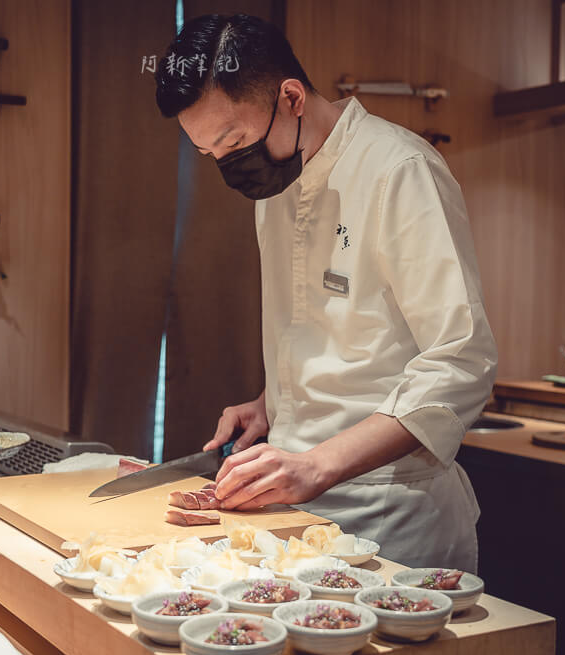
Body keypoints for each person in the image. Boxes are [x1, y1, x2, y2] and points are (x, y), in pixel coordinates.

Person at [154, 14, 497, 572]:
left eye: (234, 141)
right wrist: (273, 403)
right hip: (291, 509)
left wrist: (318, 464)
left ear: (290, 97)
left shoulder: (400, 169)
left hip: (392, 509)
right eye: (209, 152)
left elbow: (461, 362)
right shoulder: (279, 182)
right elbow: (333, 332)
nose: (227, 164)